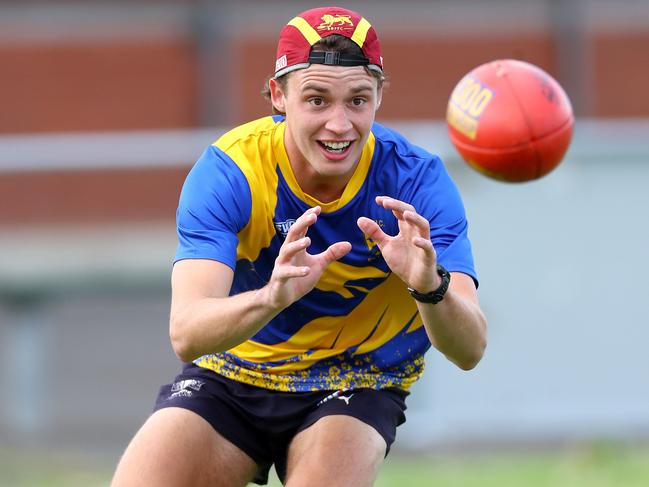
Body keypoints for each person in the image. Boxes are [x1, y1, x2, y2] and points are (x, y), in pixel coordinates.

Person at [111, 5, 487, 487]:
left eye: (357, 100)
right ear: (278, 96)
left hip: (358, 379)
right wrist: (273, 296)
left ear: (378, 98)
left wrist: (427, 287)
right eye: (316, 100)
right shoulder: (232, 172)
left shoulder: (417, 182)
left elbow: (470, 348)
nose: (339, 124)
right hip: (232, 372)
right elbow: (187, 333)